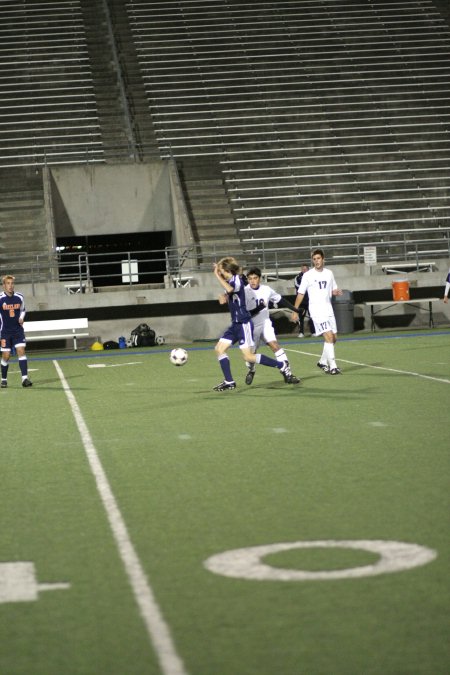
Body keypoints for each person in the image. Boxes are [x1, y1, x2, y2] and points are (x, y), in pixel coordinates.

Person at [213, 257, 297, 391]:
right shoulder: (232, 280)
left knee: (249, 356)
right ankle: (229, 381)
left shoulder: (237, 281)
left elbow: (230, 289)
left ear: (227, 270)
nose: (220, 272)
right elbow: (227, 295)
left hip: (244, 324)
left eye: (222, 270)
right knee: (219, 349)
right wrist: (222, 297)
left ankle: (282, 366)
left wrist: (217, 275)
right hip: (235, 324)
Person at [243, 267, 300, 385]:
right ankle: (251, 370)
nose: (252, 281)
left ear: (259, 279)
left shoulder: (267, 289)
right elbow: (245, 313)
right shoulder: (244, 292)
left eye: (255, 278)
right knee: (250, 356)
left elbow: (280, 300)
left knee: (275, 345)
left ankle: (287, 373)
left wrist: (295, 309)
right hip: (251, 327)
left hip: (265, 323)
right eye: (250, 279)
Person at [292, 249, 343, 375]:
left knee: (334, 338)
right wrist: (295, 310)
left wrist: (335, 292)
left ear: (323, 259)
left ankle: (322, 362)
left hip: (328, 309)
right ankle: (333, 366)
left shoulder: (329, 273)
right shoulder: (308, 275)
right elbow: (300, 294)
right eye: (314, 259)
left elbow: (332, 289)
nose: (316, 261)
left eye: (318, 258)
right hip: (317, 310)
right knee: (329, 337)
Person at [0, 275, 32, 388]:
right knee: (6, 355)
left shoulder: (20, 297)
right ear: (4, 285)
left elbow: (23, 310)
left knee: (21, 351)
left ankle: (25, 379)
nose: (10, 285)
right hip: (5, 332)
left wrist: (22, 317)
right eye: (8, 283)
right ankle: (3, 379)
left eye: (12, 283)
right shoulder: (0, 298)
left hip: (18, 331)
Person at [293, 264, 313, 337]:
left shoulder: (312, 276)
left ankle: (314, 332)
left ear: (308, 269)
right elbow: (297, 286)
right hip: (301, 301)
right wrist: (305, 285)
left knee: (312, 316)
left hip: (310, 300)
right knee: (301, 317)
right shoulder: (297, 277)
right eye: (302, 269)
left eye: (305, 269)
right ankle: (301, 332)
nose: (304, 270)